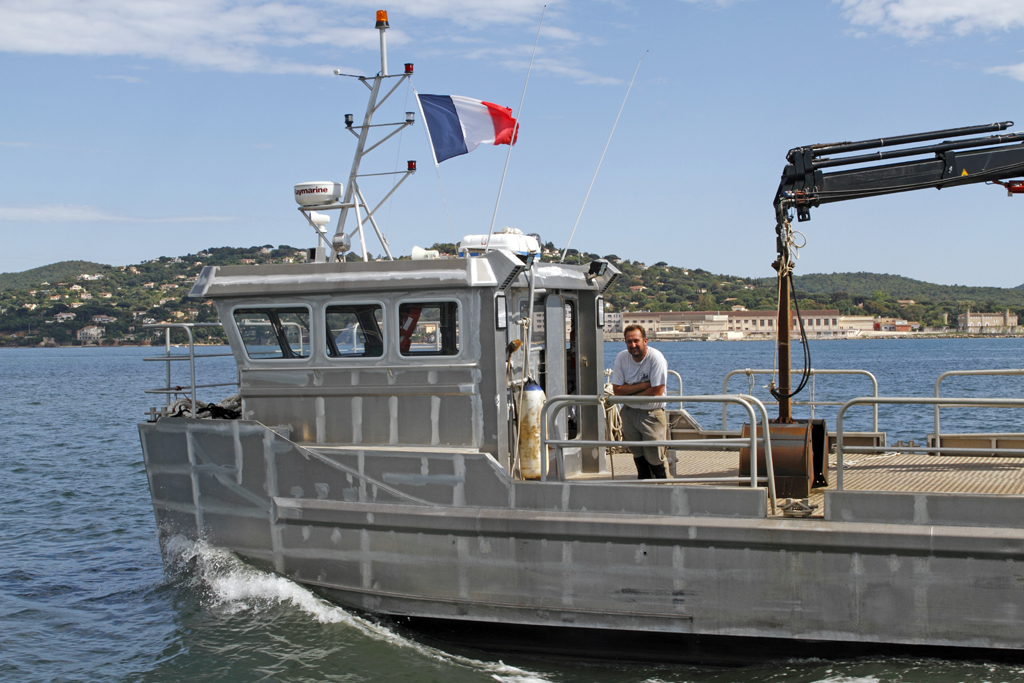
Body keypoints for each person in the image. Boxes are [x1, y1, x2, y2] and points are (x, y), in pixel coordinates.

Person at [610, 324, 669, 479]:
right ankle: (644, 487)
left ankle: (666, 490)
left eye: (636, 341)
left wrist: (629, 389)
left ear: (645, 341)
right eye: (629, 342)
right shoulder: (622, 358)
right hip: (629, 413)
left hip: (652, 414)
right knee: (638, 454)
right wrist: (645, 384)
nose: (633, 345)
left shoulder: (656, 358)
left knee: (655, 457)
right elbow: (617, 390)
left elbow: (657, 391)